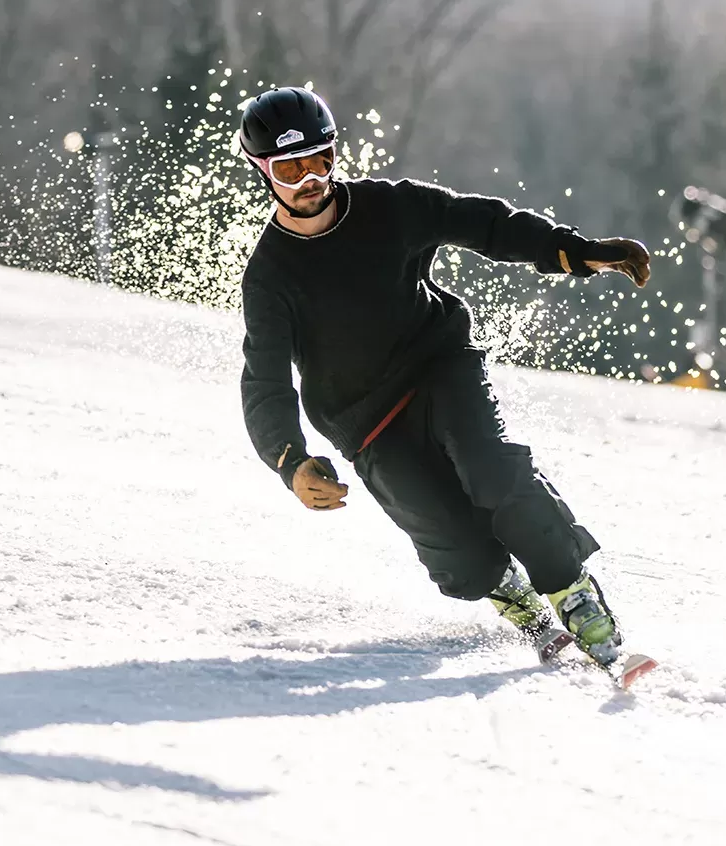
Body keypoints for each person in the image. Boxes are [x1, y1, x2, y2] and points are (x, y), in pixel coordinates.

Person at [237, 86, 652, 670]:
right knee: (458, 556)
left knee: (492, 470)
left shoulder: (389, 208)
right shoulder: (270, 276)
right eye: (291, 167)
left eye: (321, 160)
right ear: (263, 171)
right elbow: (265, 381)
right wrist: (290, 461)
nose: (310, 178)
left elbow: (482, 223)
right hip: (367, 421)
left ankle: (571, 587)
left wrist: (570, 251)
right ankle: (511, 592)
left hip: (439, 368)